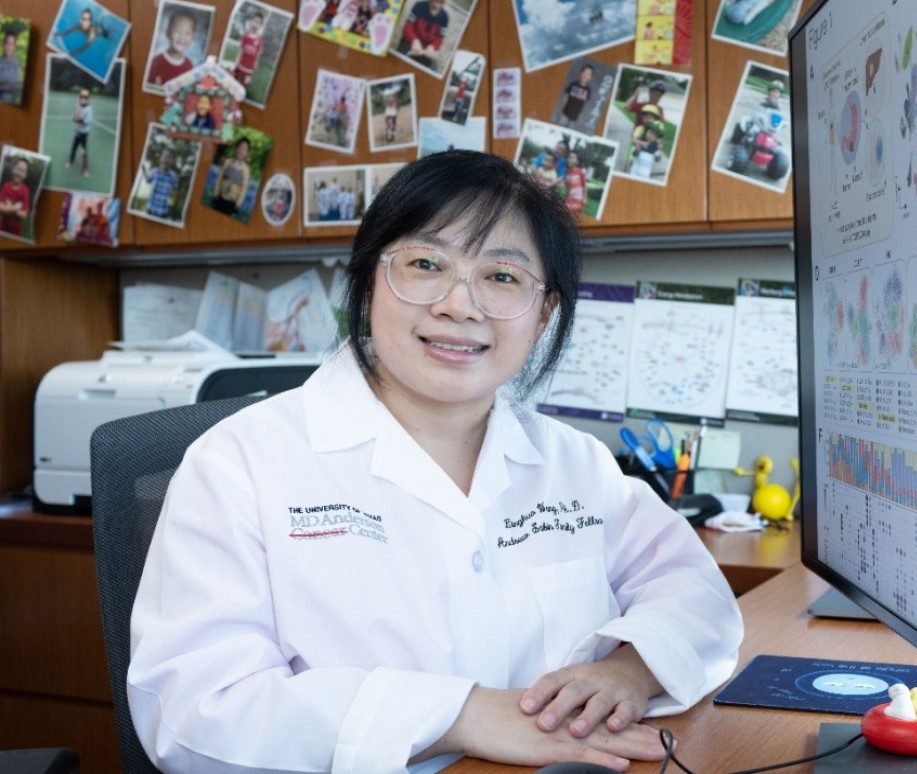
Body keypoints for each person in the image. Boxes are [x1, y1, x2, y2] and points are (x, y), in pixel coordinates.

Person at [127, 150, 743, 772]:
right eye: (425, 264)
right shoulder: (240, 462)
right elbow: (193, 711)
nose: (459, 305)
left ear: (544, 313)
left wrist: (630, 669)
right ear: (369, 282)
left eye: (502, 277)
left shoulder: (574, 463)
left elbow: (696, 595)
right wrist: (461, 714)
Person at [146, 10, 197, 90]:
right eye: (178, 31)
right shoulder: (156, 62)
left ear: (192, 38)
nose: (182, 37)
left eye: (187, 33)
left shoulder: (189, 65)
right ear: (167, 33)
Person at [399, 0, 448, 71]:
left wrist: (433, 46)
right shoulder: (418, 6)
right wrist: (414, 40)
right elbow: (407, 27)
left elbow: (440, 38)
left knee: (433, 70)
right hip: (410, 42)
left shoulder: (445, 17)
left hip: (426, 49)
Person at [210, 137, 252, 216]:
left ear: (247, 153)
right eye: (240, 147)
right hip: (220, 199)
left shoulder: (246, 170)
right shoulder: (227, 162)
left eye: (244, 149)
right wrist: (215, 195)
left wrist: (238, 206)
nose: (241, 151)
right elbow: (219, 179)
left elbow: (244, 189)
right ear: (236, 148)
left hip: (231, 204)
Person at [143, 148, 181, 220]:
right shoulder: (154, 171)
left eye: (169, 157)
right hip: (151, 208)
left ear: (172, 161)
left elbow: (176, 192)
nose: (166, 159)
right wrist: (144, 171)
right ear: (160, 158)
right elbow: (148, 180)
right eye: (164, 156)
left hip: (163, 212)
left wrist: (178, 183)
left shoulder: (173, 176)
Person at [0, 156, 31, 236]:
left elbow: (24, 215)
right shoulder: (5, 186)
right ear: (13, 169)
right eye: (18, 168)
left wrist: (8, 207)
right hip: (2, 229)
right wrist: (15, 208)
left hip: (16, 233)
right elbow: (0, 207)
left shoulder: (25, 190)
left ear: (25, 175)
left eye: (23, 171)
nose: (19, 173)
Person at [232, 12, 263, 88]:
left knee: (245, 83)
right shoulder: (245, 36)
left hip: (249, 66)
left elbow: (258, 52)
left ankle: (242, 88)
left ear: (260, 26)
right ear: (251, 22)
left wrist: (256, 62)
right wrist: (237, 59)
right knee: (235, 79)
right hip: (241, 63)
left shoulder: (259, 40)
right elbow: (241, 49)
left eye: (258, 23)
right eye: (254, 21)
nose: (255, 24)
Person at [66, 88, 93, 177]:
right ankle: (70, 161)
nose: (83, 98)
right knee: (74, 148)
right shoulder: (78, 106)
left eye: (86, 97)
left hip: (84, 134)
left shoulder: (89, 109)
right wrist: (75, 118)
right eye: (81, 96)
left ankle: (86, 169)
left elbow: (87, 121)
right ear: (79, 97)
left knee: (84, 151)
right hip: (77, 132)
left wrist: (80, 119)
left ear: (88, 98)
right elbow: (74, 117)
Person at [0, 30, 23, 105]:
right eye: (7, 43)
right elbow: (15, 84)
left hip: (7, 100)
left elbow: (17, 83)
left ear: (15, 47)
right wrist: (11, 84)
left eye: (12, 44)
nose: (9, 47)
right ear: (3, 44)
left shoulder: (16, 62)